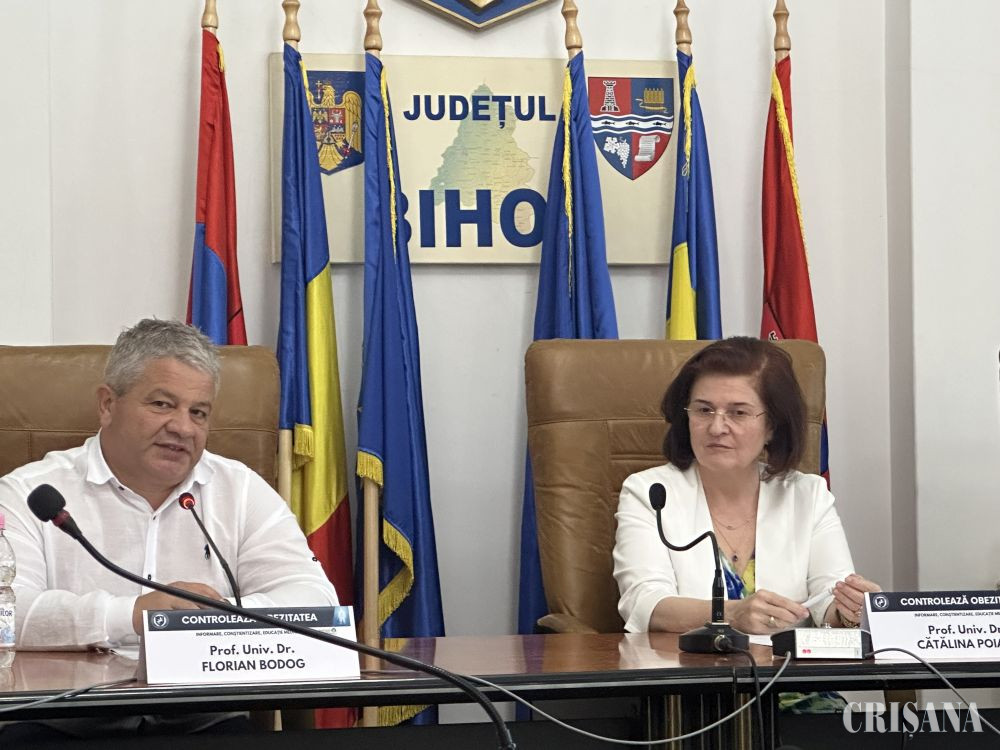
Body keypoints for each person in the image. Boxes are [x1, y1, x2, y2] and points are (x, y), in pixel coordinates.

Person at [0, 318, 338, 652]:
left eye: (198, 412)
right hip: (76, 688)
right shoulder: (28, 495)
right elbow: (6, 614)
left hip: (206, 685)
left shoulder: (240, 490)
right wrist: (134, 615)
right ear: (107, 405)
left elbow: (316, 599)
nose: (183, 428)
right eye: (162, 405)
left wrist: (217, 616)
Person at [613, 336, 879, 635]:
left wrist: (849, 610)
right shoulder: (651, 492)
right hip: (684, 663)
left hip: (786, 664)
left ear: (772, 426)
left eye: (738, 413)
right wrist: (732, 614)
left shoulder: (808, 496)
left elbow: (827, 601)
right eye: (703, 410)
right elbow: (643, 603)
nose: (716, 427)